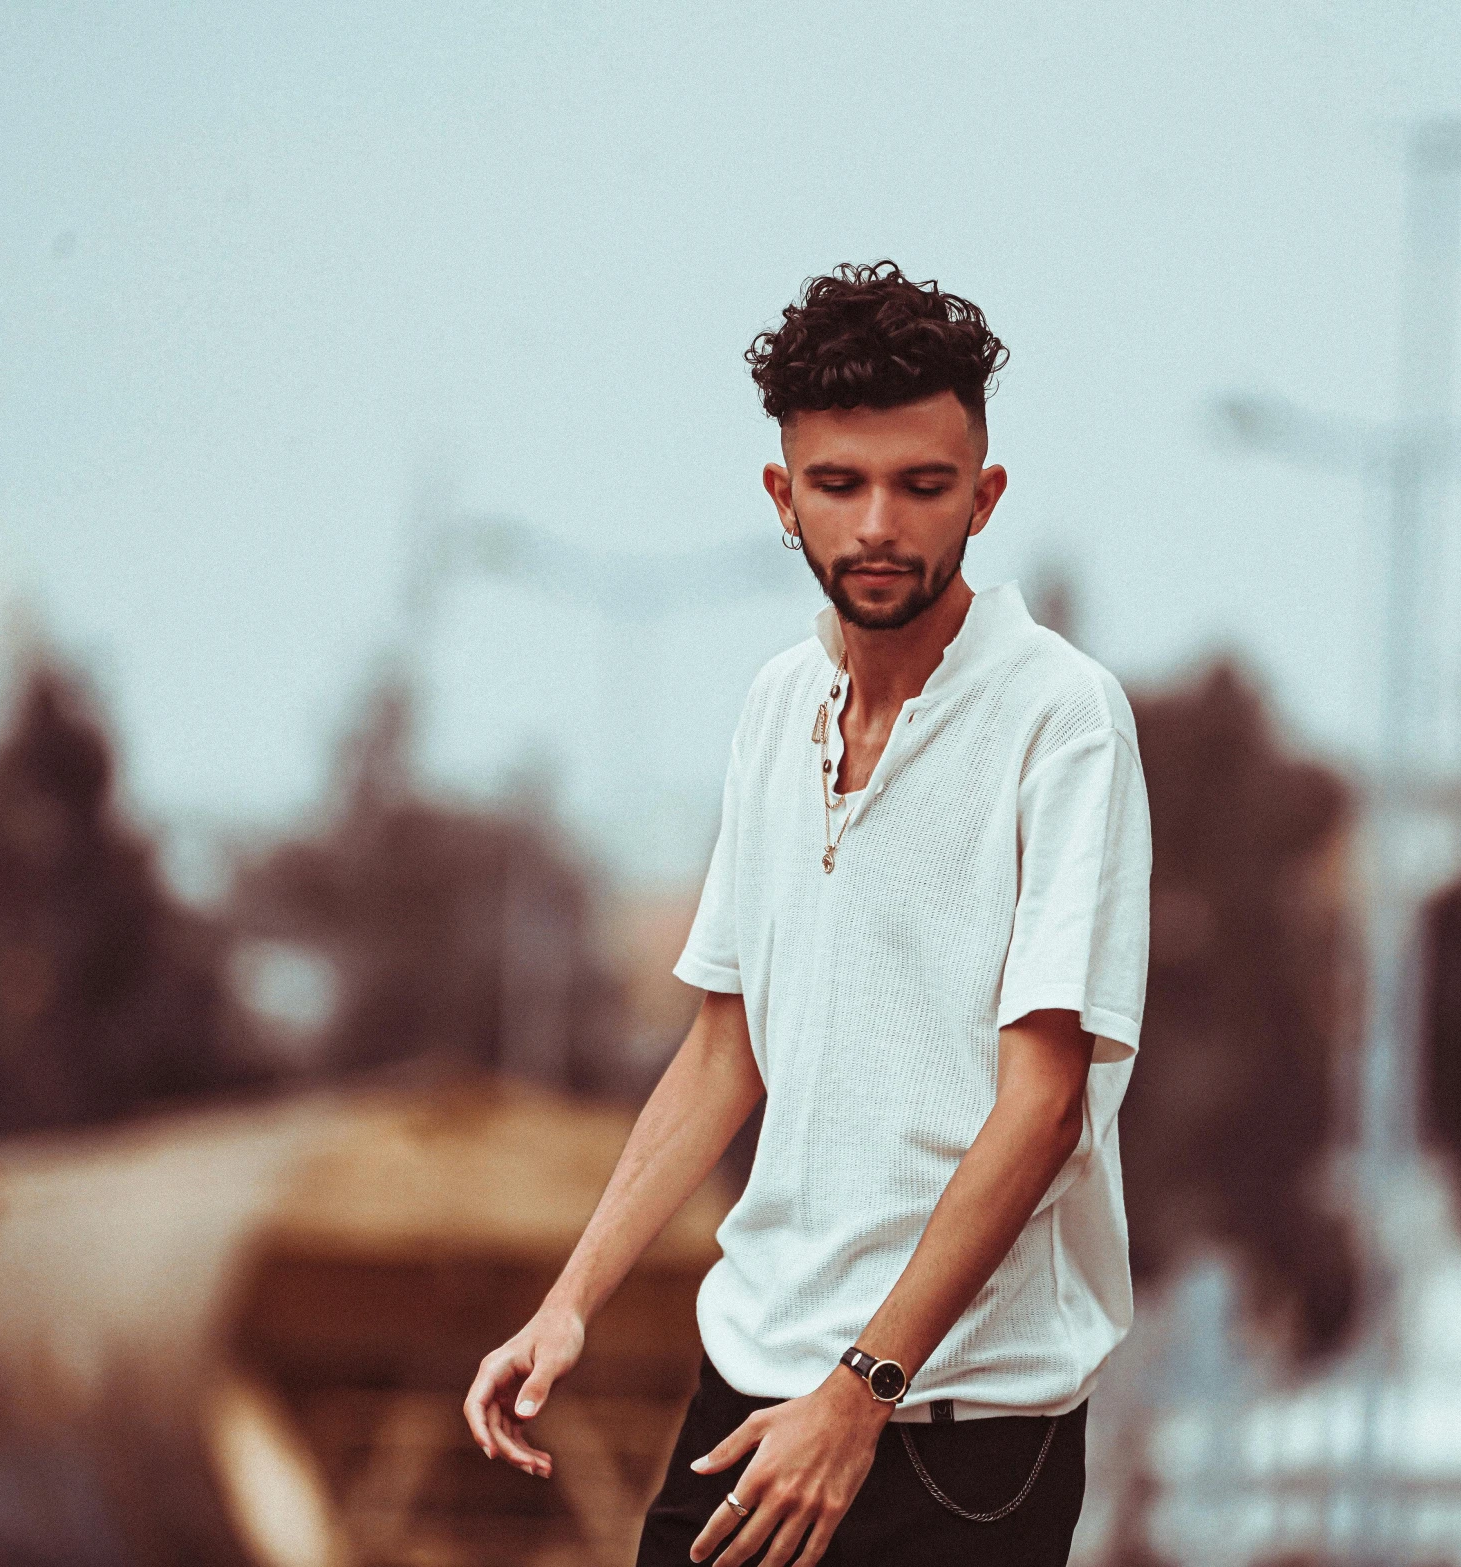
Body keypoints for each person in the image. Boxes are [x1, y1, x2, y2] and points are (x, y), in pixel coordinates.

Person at [463, 261, 1152, 1566]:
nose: (878, 522)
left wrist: (861, 1393)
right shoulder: (778, 706)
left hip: (957, 1422)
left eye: (921, 483)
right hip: (757, 1379)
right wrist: (570, 1301)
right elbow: (727, 1047)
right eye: (838, 483)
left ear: (982, 498)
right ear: (782, 497)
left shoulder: (1059, 720)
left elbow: (1045, 1102)